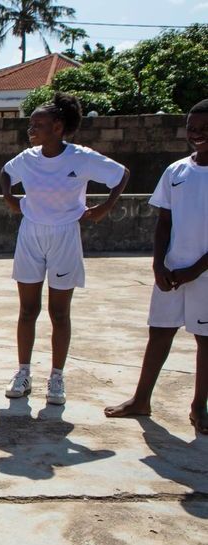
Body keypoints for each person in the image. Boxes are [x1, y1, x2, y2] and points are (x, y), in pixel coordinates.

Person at [1, 92, 129, 404]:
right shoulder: (28, 159)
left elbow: (121, 174)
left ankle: (57, 376)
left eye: (38, 125)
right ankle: (23, 371)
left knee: (59, 312)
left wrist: (105, 208)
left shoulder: (80, 157)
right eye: (30, 125)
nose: (31, 130)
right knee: (28, 309)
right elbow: (5, 173)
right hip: (31, 233)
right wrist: (10, 199)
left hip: (65, 235)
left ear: (58, 128)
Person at [104, 98, 208, 434]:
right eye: (192, 128)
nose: (197, 134)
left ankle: (198, 407)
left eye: (205, 129)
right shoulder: (177, 171)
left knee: (205, 339)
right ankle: (141, 399)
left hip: (203, 274)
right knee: (159, 332)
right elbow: (164, 221)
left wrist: (197, 269)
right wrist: (158, 264)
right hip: (172, 269)